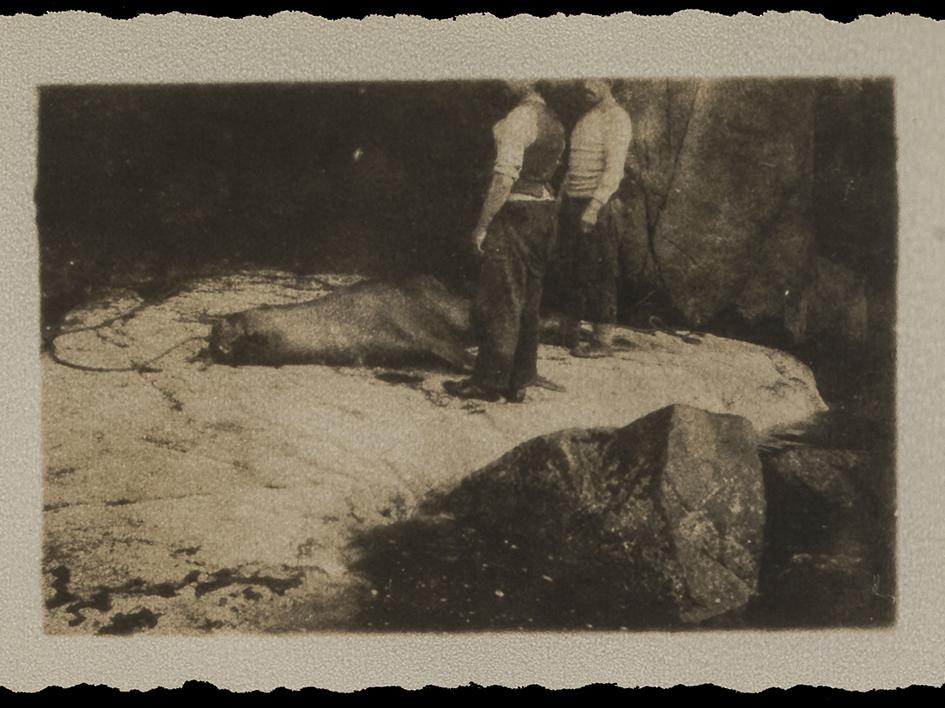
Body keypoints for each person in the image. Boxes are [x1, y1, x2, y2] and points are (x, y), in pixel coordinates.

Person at [443, 80, 566, 403]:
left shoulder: (520, 118)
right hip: (544, 213)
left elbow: (504, 178)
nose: (504, 79)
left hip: (517, 213)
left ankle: (489, 381)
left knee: (503, 298)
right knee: (529, 299)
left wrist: (483, 226)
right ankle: (520, 378)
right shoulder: (553, 120)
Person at [558, 78, 633, 357]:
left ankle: (602, 341)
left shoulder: (617, 118)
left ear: (610, 80)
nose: (586, 84)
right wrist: (562, 196)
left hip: (599, 205)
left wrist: (594, 206)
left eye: (595, 78)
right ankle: (571, 332)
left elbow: (614, 171)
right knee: (573, 268)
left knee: (602, 271)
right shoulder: (588, 116)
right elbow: (574, 164)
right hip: (574, 201)